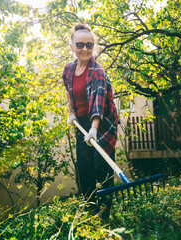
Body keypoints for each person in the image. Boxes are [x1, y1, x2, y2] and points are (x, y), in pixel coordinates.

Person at [62, 23, 118, 220]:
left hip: (102, 122)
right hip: (81, 122)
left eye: (89, 45)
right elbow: (69, 92)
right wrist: (71, 112)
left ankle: (104, 214)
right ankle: (90, 212)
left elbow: (98, 103)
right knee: (85, 170)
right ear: (72, 46)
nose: (85, 49)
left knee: (101, 167)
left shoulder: (97, 71)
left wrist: (93, 129)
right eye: (80, 44)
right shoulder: (68, 70)